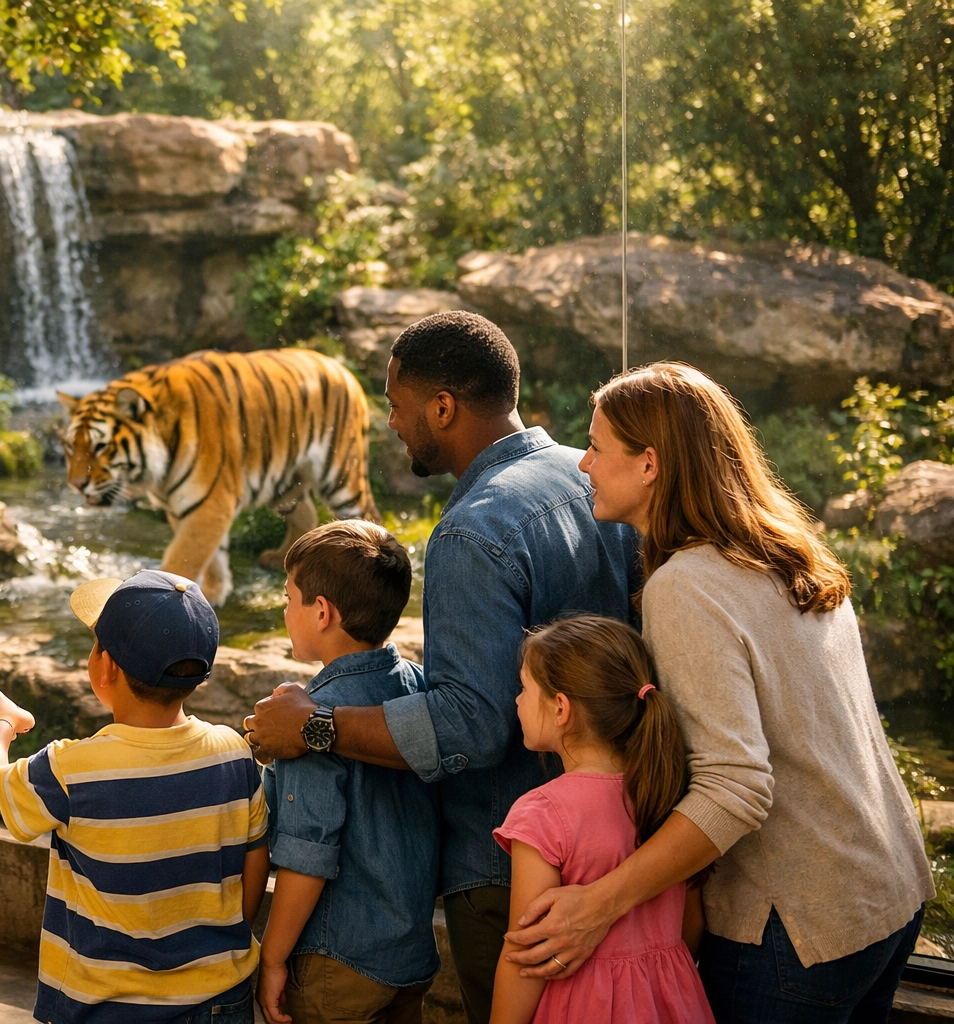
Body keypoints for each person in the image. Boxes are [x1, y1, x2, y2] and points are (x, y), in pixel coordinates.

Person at [502, 362, 932, 1024]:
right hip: (885, 890)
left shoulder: (688, 586)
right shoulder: (790, 550)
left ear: (650, 464)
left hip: (797, 923)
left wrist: (600, 903)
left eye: (597, 446)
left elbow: (736, 788)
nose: (583, 463)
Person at [245, 311, 642, 1024]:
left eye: (396, 405)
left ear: (443, 406)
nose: (391, 423)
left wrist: (315, 727)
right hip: (616, 831)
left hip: (509, 865)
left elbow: (472, 723)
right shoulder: (585, 478)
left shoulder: (472, 530)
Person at [0, 568, 270, 1024]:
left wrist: (1, 724)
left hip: (104, 1007)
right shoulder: (233, 752)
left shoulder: (73, 768)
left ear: (104, 667)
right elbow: (255, 858)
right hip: (221, 999)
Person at [257, 520, 441, 1024]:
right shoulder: (419, 688)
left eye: (289, 598)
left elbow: (307, 858)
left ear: (321, 612)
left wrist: (272, 957)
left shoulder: (306, 721)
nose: (284, 609)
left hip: (336, 964)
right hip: (410, 956)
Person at [491, 614, 712, 1024]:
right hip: (674, 1003)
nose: (517, 700)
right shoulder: (669, 795)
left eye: (524, 689)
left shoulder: (541, 814)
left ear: (561, 708)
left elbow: (525, 952)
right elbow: (691, 923)